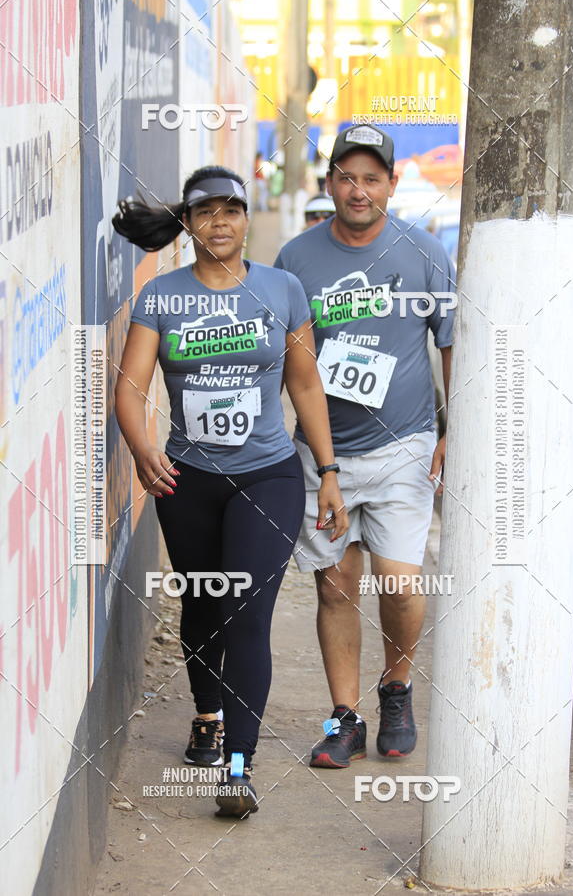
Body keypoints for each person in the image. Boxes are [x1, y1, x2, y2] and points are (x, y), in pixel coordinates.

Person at [112, 166, 347, 816]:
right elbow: (130, 387)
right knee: (203, 605)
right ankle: (207, 713)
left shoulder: (284, 288)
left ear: (246, 218)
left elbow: (305, 384)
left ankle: (237, 767)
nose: (220, 222)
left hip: (268, 474)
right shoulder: (161, 296)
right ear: (186, 224)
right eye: (206, 212)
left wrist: (326, 471)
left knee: (246, 611)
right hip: (186, 480)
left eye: (231, 210)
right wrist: (143, 447)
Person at [274, 125, 455, 768]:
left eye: (371, 178)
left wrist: (450, 429)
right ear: (329, 184)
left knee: (400, 585)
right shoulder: (296, 260)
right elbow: (289, 364)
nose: (358, 190)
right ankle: (345, 718)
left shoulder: (426, 254)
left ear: (392, 184)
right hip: (323, 453)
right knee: (335, 586)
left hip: (404, 445)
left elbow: (449, 341)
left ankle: (397, 688)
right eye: (346, 177)